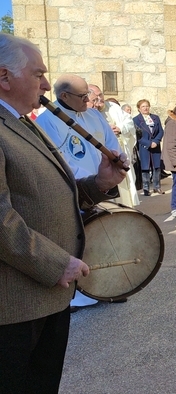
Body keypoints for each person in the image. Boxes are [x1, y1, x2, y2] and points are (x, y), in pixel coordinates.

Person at [0, 34, 126, 394]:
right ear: (4, 77)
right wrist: (57, 264)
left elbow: (48, 194)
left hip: (46, 297)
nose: (44, 85)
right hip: (15, 307)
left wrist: (100, 182)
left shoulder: (23, 122)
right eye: (38, 74)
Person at [36, 74, 127, 312]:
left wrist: (115, 162)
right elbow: (58, 158)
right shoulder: (47, 121)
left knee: (106, 238)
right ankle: (78, 296)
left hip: (103, 185)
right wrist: (89, 182)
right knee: (80, 242)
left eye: (89, 94)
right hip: (77, 188)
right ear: (64, 96)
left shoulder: (94, 114)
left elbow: (110, 143)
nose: (88, 99)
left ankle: (107, 288)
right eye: (82, 95)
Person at [92, 85, 139, 207]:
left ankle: (126, 208)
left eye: (100, 95)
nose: (99, 99)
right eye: (95, 97)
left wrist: (120, 128)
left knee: (124, 186)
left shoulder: (113, 107)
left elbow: (129, 121)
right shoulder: (88, 111)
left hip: (118, 152)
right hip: (101, 156)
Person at [132, 99, 164, 196]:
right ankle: (146, 188)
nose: (145, 108)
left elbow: (161, 131)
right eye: (143, 106)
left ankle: (157, 187)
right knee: (145, 168)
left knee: (157, 168)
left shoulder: (155, 118)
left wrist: (156, 141)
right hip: (144, 147)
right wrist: (148, 143)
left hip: (156, 147)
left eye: (147, 106)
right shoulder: (136, 120)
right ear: (139, 109)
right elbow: (137, 135)